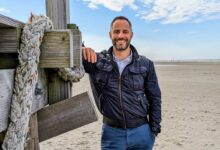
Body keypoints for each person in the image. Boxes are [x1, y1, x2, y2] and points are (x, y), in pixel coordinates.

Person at [82, 16, 161, 150]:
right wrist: (81, 48)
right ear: (110, 35)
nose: (120, 35)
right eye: (116, 31)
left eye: (125, 32)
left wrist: (153, 131)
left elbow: (155, 98)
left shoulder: (146, 64)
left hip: (141, 132)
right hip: (112, 133)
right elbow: (70, 57)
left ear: (131, 35)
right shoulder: (96, 61)